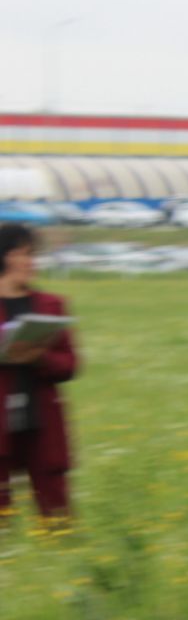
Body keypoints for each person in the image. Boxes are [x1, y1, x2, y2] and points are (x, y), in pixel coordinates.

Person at [0, 224, 80, 523]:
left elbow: (71, 365)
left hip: (42, 422)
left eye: (31, 254)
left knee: (58, 517)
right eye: (20, 253)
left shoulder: (52, 305)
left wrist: (40, 358)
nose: (29, 261)